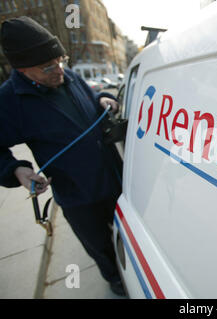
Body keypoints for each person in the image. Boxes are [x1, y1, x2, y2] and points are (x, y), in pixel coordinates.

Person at [0, 16, 125, 296]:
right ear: (21, 69)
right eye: (47, 67)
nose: (58, 69)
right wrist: (16, 170)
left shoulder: (66, 74)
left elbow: (90, 99)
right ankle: (116, 281)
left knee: (129, 237)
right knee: (101, 247)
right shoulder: (9, 101)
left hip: (114, 178)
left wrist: (103, 97)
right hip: (78, 195)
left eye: (60, 60)